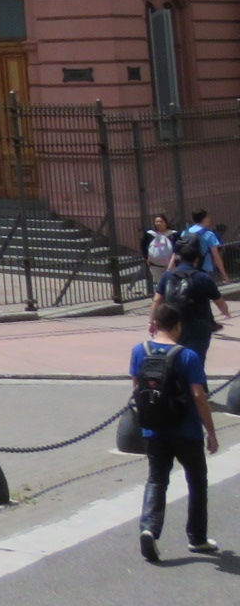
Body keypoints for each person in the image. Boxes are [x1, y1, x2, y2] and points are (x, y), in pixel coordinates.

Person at [132, 300, 221, 561]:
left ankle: (149, 529)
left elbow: (136, 390)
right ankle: (197, 538)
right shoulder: (188, 356)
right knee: (196, 480)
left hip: (153, 431)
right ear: (178, 326)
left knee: (157, 479)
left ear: (155, 324)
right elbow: (198, 395)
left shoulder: (139, 351)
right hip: (186, 430)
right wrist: (211, 432)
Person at [157, 236, 222, 360]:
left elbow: (157, 299)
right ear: (197, 260)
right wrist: (224, 310)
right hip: (199, 322)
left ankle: (177, 376)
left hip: (173, 320)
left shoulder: (168, 276)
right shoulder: (203, 277)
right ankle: (194, 377)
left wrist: (153, 320)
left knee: (174, 355)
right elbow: (218, 300)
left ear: (179, 258)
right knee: (197, 357)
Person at [181, 210, 231, 321]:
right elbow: (216, 256)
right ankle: (211, 319)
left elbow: (178, 251)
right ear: (204, 218)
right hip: (204, 268)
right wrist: (224, 273)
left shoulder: (185, 233)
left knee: (192, 294)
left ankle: (203, 319)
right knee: (208, 293)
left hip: (188, 268)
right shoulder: (208, 234)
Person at [145, 213, 178, 287]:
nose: (158, 223)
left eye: (161, 221)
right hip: (155, 266)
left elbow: (177, 248)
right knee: (160, 285)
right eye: (156, 222)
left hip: (171, 266)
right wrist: (146, 258)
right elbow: (144, 247)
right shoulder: (150, 235)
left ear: (165, 222)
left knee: (171, 284)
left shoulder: (173, 234)